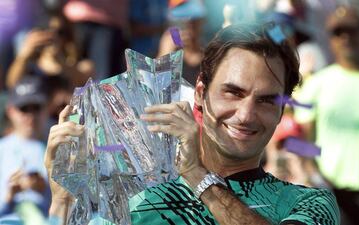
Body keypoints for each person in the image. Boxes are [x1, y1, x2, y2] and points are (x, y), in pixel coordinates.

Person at [45, 23, 339, 225]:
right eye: (233, 92)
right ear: (200, 93)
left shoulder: (309, 203)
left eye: (265, 100)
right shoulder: (136, 197)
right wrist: (63, 200)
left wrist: (197, 175)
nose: (246, 114)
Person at [294, 6, 359, 225]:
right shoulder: (317, 84)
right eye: (338, 33)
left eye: (351, 31)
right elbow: (301, 142)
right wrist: (315, 175)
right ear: (330, 39)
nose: (345, 38)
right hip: (335, 198)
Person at [0, 76, 50, 223]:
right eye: (24, 109)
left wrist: (45, 190)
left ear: (46, 109)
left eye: (36, 108)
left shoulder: (57, 150)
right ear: (10, 111)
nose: (31, 116)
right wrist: (9, 195)